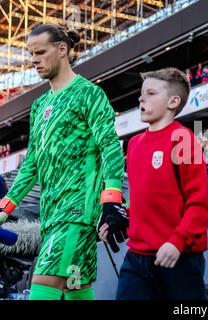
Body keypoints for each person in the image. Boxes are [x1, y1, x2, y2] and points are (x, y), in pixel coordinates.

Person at [0, 24, 126, 300]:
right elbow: (31, 164)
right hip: (50, 213)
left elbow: (109, 146)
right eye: (31, 53)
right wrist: (4, 209)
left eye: (40, 52)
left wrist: (112, 200)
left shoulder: (89, 94)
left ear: (62, 50)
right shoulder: (39, 105)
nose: (33, 60)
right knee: (75, 288)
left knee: (43, 281)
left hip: (77, 212)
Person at [104, 68, 208, 300]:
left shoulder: (184, 140)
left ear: (173, 101)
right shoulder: (133, 144)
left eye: (151, 93)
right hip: (136, 257)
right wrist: (125, 217)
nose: (141, 98)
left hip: (179, 256)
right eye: (142, 93)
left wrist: (177, 241)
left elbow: (199, 204)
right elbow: (143, 196)